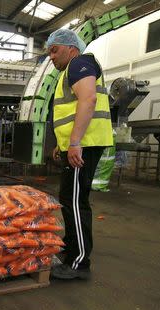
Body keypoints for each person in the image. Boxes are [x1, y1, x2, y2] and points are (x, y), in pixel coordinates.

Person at [46, 29, 113, 279]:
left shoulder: (80, 63)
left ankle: (79, 263)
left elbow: (88, 100)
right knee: (69, 197)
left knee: (75, 201)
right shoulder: (70, 70)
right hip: (78, 144)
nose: (51, 57)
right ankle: (71, 249)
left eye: (55, 50)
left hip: (84, 144)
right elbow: (72, 110)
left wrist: (74, 142)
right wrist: (62, 143)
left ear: (71, 48)